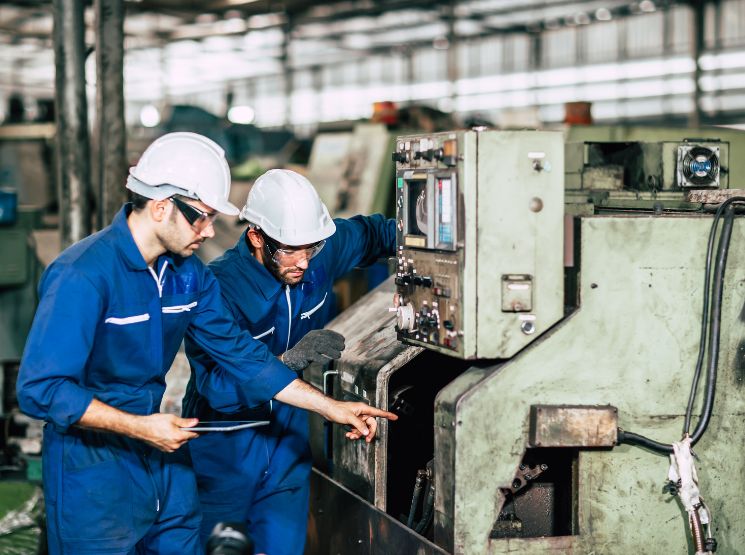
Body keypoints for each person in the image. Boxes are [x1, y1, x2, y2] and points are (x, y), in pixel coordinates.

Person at [15, 134, 396, 555]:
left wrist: (332, 407)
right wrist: (140, 427)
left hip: (162, 453)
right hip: (92, 467)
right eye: (201, 217)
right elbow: (41, 389)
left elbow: (242, 354)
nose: (211, 230)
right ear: (161, 206)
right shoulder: (83, 275)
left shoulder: (188, 277)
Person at [183, 169, 397, 555]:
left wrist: (441, 234)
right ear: (256, 237)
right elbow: (216, 387)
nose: (302, 262)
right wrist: (288, 360)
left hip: (289, 442)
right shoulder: (217, 288)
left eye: (310, 248)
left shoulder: (314, 253)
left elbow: (376, 234)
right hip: (225, 447)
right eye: (289, 250)